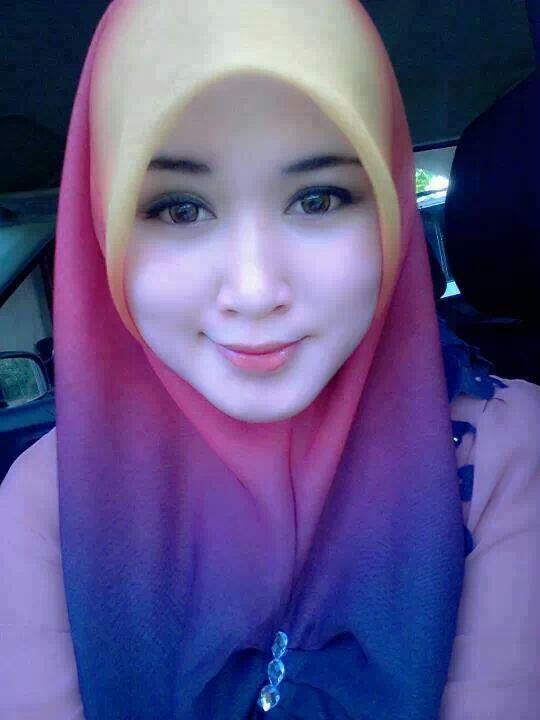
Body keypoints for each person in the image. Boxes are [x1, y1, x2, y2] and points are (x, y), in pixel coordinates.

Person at [0, 1, 538, 718]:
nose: (254, 291)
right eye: (180, 209)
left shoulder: (503, 452)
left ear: (390, 216)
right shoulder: (49, 501)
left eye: (318, 199)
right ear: (103, 229)